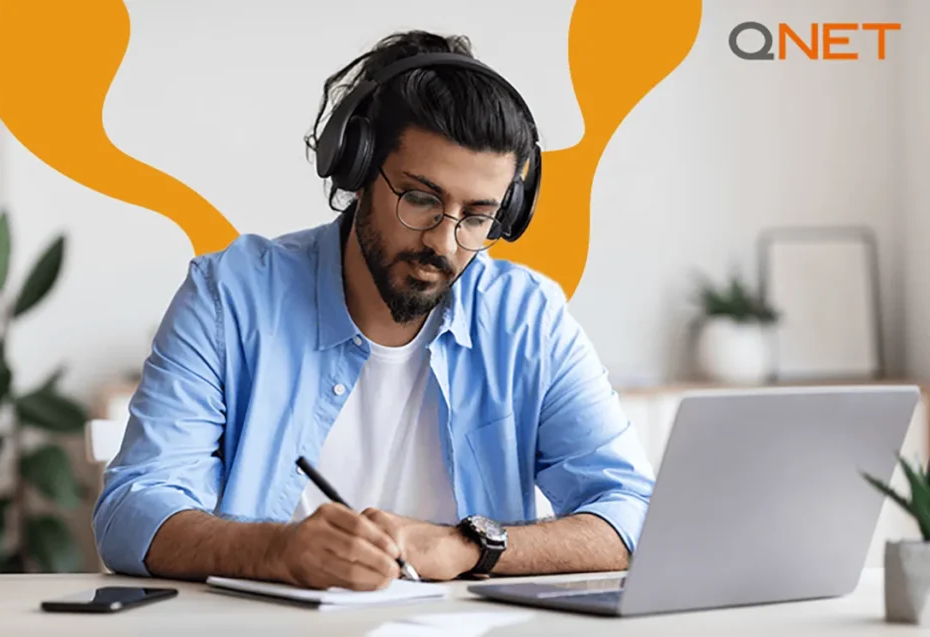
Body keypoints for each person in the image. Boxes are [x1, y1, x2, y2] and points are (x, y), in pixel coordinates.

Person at [91, 30, 655, 592]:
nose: (444, 242)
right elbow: (132, 511)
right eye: (421, 199)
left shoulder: (528, 319)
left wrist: (466, 546)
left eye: (477, 217)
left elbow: (633, 510)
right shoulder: (230, 296)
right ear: (357, 170)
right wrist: (277, 552)